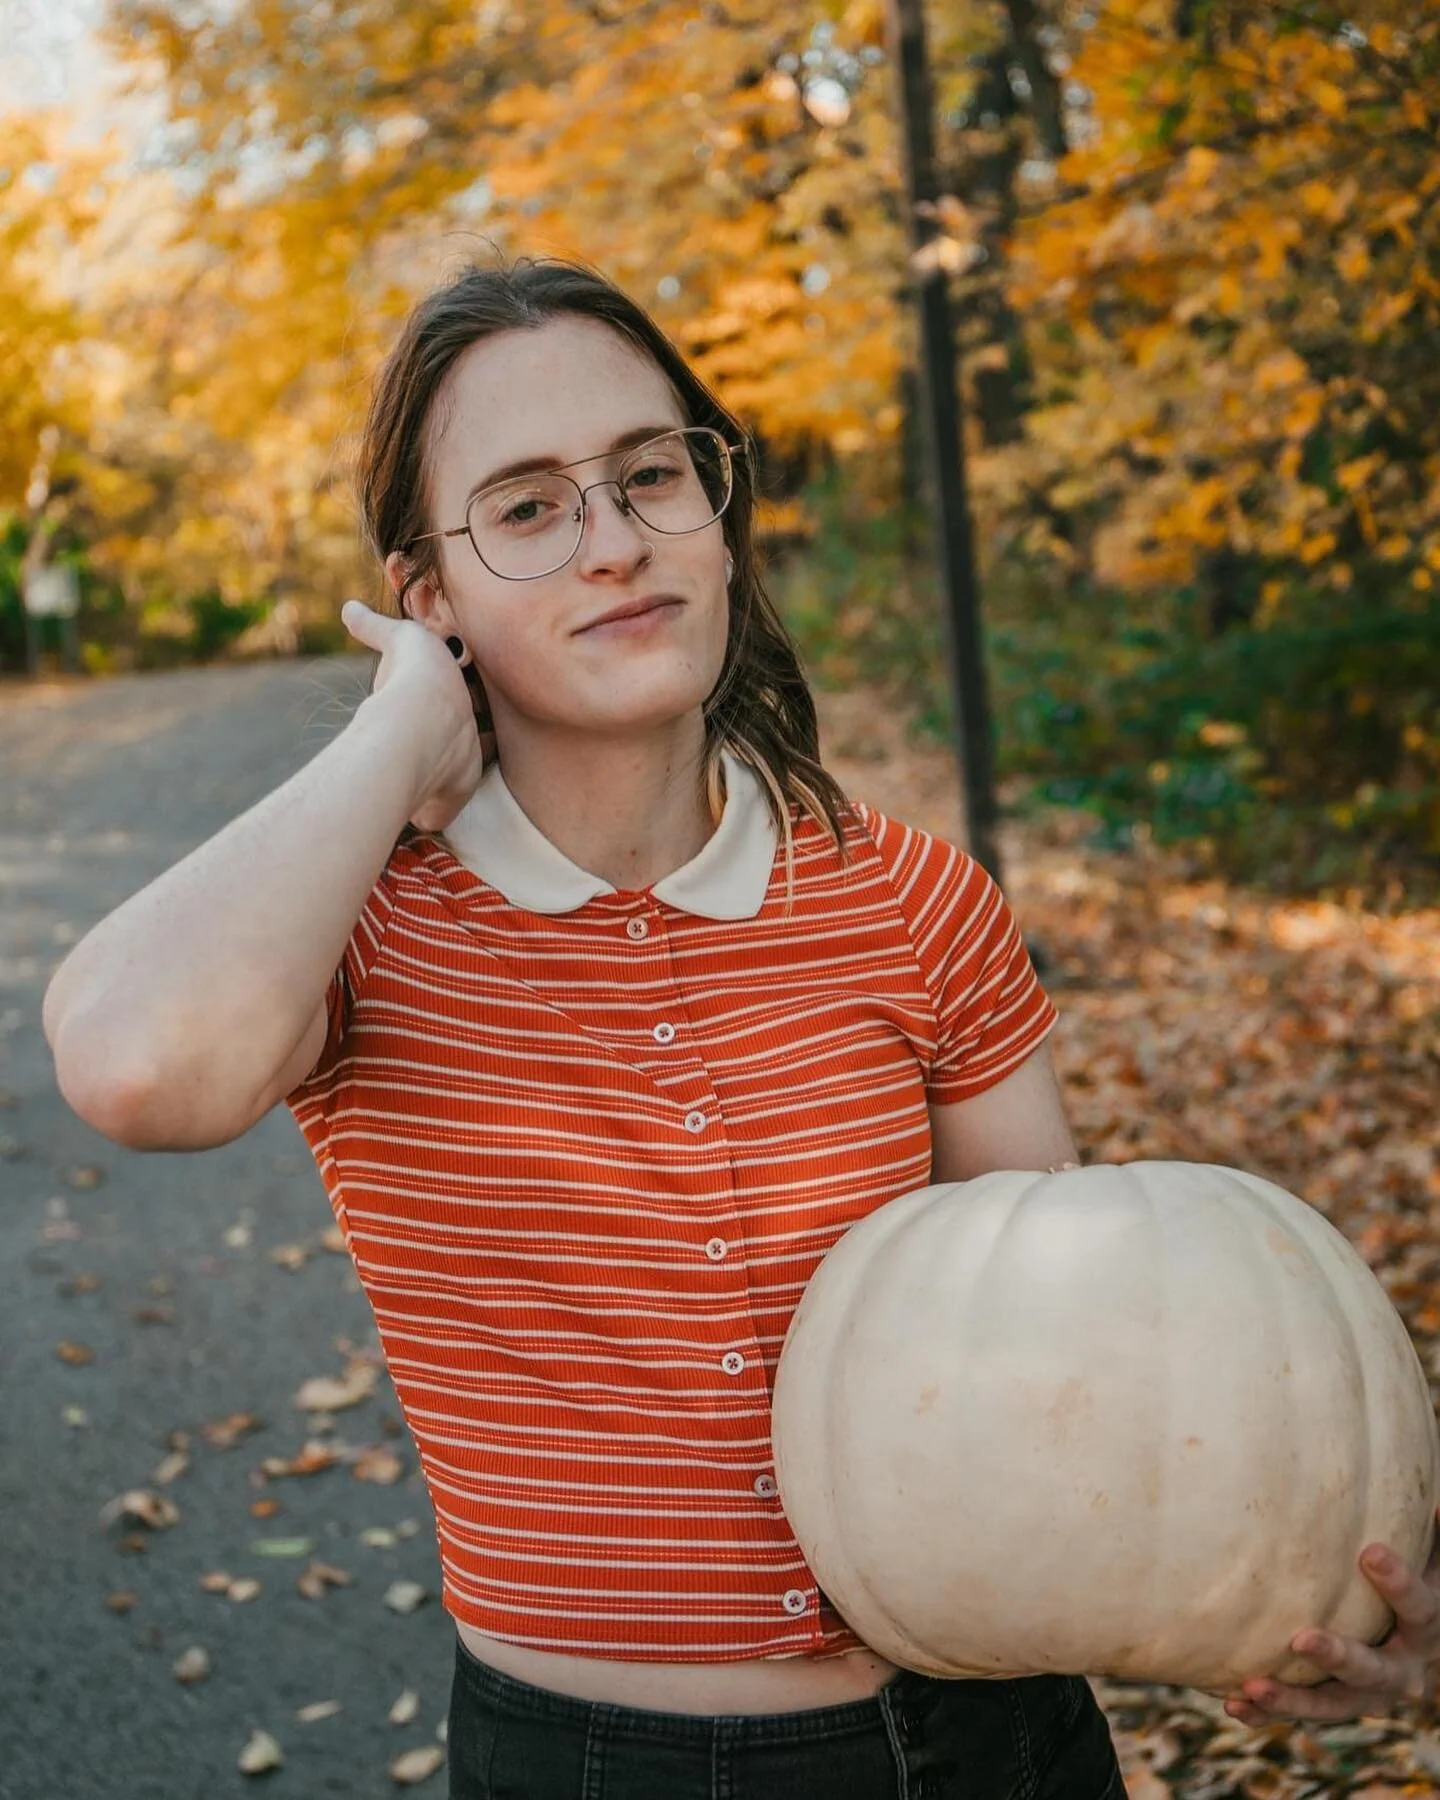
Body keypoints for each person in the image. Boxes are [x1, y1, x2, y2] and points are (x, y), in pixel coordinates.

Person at [42, 258, 1440, 1798]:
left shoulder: (914, 898)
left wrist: (1281, 1593)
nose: (615, 543)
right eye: (526, 507)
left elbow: (1071, 1379)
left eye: (651, 475)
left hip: (996, 1746)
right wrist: (395, 732)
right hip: (595, 1766)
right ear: (429, 598)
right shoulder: (363, 927)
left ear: (718, 509)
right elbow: (133, 1064)